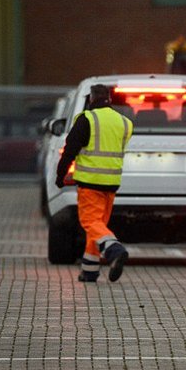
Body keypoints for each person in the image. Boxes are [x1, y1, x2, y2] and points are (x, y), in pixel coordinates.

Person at [55, 84, 133, 282]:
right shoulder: (124, 122)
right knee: (97, 226)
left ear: (91, 98)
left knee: (90, 222)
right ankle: (89, 271)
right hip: (112, 182)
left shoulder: (87, 119)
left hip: (90, 182)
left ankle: (114, 249)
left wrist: (60, 175)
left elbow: (70, 148)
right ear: (109, 98)